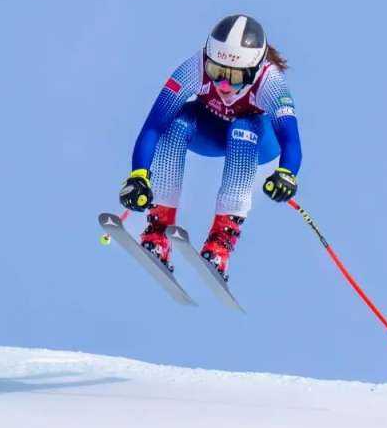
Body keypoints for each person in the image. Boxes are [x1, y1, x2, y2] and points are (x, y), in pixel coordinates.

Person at [118, 15, 302, 281]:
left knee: (242, 130)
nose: (224, 85)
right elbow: (154, 126)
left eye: (236, 77)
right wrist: (139, 176)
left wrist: (287, 172)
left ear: (256, 69)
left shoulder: (270, 82)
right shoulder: (195, 67)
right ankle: (159, 228)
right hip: (212, 132)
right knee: (176, 123)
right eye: (217, 72)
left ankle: (221, 241)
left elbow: (291, 139)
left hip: (258, 141)